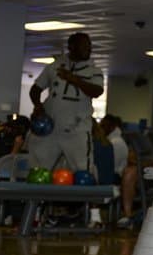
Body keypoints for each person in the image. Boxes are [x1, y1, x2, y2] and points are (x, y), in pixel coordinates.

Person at [28, 32, 104, 175]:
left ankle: (85, 197)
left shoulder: (95, 71)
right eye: (84, 46)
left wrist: (74, 79)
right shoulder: (54, 67)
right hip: (50, 127)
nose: (89, 49)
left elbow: (97, 91)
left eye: (89, 46)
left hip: (77, 129)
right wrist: (37, 105)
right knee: (38, 169)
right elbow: (35, 89)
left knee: (83, 170)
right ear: (72, 47)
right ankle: (34, 197)